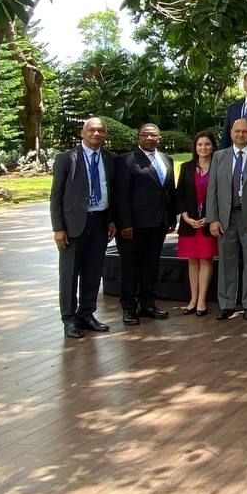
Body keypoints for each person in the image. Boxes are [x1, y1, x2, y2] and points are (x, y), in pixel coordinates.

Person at [50, 117, 116, 338]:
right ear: (82, 133)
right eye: (92, 130)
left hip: (99, 222)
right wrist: (58, 228)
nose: (96, 133)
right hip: (73, 225)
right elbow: (56, 196)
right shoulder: (67, 158)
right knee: (69, 274)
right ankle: (69, 319)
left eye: (101, 130)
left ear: (105, 135)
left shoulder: (109, 159)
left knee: (92, 272)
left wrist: (112, 219)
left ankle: (87, 313)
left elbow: (112, 192)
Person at [113, 123, 176, 325]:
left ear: (160, 138)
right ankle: (129, 308)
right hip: (133, 225)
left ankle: (147, 304)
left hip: (159, 223)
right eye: (145, 135)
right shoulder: (125, 161)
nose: (149, 138)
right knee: (130, 267)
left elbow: (169, 191)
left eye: (153, 135)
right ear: (138, 137)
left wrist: (171, 218)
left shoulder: (167, 159)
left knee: (151, 266)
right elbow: (120, 195)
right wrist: (124, 223)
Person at [207, 118, 247, 321]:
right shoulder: (219, 156)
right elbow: (212, 190)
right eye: (237, 131)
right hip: (226, 217)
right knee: (226, 261)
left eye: (245, 131)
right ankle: (226, 304)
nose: (240, 135)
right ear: (231, 133)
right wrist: (213, 219)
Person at [175, 131, 218, 315]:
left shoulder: (219, 166)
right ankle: (192, 299)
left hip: (208, 222)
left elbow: (221, 194)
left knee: (205, 260)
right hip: (190, 222)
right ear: (195, 147)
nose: (203, 148)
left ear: (213, 147)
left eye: (207, 144)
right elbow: (180, 194)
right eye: (200, 144)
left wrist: (210, 216)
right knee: (192, 261)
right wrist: (184, 216)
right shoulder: (186, 167)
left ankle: (202, 300)